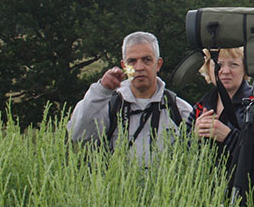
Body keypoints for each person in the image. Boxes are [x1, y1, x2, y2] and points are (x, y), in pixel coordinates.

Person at [67, 31, 193, 164]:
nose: (139, 67)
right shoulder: (108, 105)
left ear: (158, 64)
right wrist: (101, 90)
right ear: (123, 66)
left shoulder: (178, 110)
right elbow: (79, 137)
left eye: (147, 60)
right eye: (132, 61)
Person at [187, 47, 253, 168]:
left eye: (233, 64)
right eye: (218, 64)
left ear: (245, 69)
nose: (225, 71)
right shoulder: (201, 107)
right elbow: (179, 153)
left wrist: (229, 137)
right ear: (207, 68)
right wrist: (194, 137)